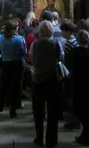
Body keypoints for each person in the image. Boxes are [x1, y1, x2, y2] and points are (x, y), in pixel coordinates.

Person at [30, 20, 62, 148]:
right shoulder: (56, 43)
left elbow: (32, 60)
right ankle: (51, 140)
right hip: (53, 79)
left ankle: (39, 138)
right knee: (53, 111)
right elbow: (60, 59)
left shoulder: (35, 44)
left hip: (38, 79)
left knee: (38, 111)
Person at [0, 20, 26, 118]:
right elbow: (23, 53)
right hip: (16, 64)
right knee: (15, 87)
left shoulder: (2, 38)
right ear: (15, 28)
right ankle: (13, 110)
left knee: (4, 86)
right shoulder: (19, 39)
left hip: (5, 64)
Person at [61, 20, 80, 130]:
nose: (62, 33)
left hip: (70, 73)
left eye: (63, 31)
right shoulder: (74, 41)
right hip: (74, 72)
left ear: (68, 31)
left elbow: (66, 60)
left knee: (70, 97)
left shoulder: (69, 43)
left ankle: (74, 121)